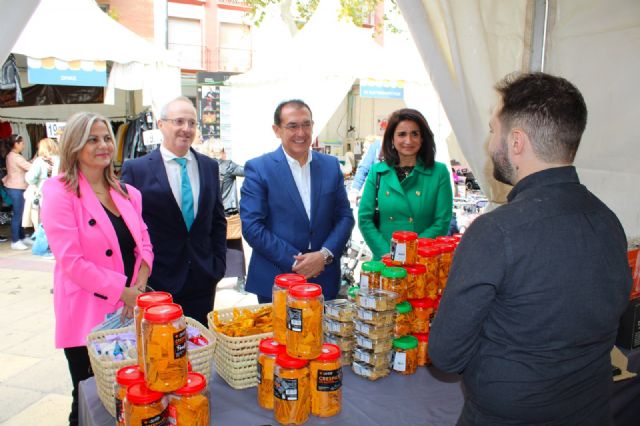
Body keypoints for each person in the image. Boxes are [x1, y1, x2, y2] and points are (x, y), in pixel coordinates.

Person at [429, 72, 633, 425]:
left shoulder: (496, 232)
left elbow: (446, 354)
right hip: (591, 410)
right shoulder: (610, 223)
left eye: (494, 131)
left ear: (517, 142)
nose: (491, 143)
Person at [40, 112, 153, 426]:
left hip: (130, 312)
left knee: (128, 394)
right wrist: (125, 292)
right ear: (75, 145)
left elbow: (144, 242)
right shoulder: (58, 192)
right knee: (88, 397)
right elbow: (71, 261)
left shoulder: (128, 193)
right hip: (87, 316)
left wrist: (140, 286)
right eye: (93, 139)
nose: (103, 145)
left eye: (106, 138)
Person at [121, 96, 227, 325]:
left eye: (191, 123)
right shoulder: (136, 170)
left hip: (203, 278)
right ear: (161, 124)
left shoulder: (209, 166)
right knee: (161, 351)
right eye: (179, 121)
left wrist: (217, 265)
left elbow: (217, 220)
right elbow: (129, 229)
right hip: (158, 281)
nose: (186, 129)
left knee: (199, 348)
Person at [240, 99, 354, 302]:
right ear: (277, 130)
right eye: (292, 126)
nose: (301, 133)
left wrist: (324, 255)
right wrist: (296, 262)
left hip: (323, 279)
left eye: (306, 124)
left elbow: (345, 217)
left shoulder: (330, 166)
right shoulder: (259, 168)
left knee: (322, 334)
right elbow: (252, 227)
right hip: (276, 281)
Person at [358, 108, 453, 259]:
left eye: (415, 134)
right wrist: (386, 254)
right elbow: (365, 219)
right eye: (402, 134)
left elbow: (442, 221)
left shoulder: (439, 173)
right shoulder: (377, 172)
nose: (408, 140)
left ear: (423, 138)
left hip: (421, 260)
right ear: (392, 139)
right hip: (385, 261)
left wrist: (409, 253)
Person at [211, 141, 247, 289]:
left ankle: (213, 280)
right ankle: (241, 282)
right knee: (235, 247)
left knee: (211, 247)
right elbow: (245, 171)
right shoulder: (228, 165)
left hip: (211, 213)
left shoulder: (204, 165)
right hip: (229, 212)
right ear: (223, 151)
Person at [1, 134, 32, 250]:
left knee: (19, 213)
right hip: (16, 188)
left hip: (15, 187)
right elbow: (29, 167)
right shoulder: (15, 157)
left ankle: (22, 237)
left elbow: (26, 164)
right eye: (22, 143)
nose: (24, 145)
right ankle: (15, 240)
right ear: (16, 144)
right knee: (18, 215)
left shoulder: (13, 155)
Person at [23, 137, 60, 229]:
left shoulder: (40, 161)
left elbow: (30, 178)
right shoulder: (62, 159)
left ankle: (45, 239)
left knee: (43, 218)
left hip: (43, 191)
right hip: (59, 191)